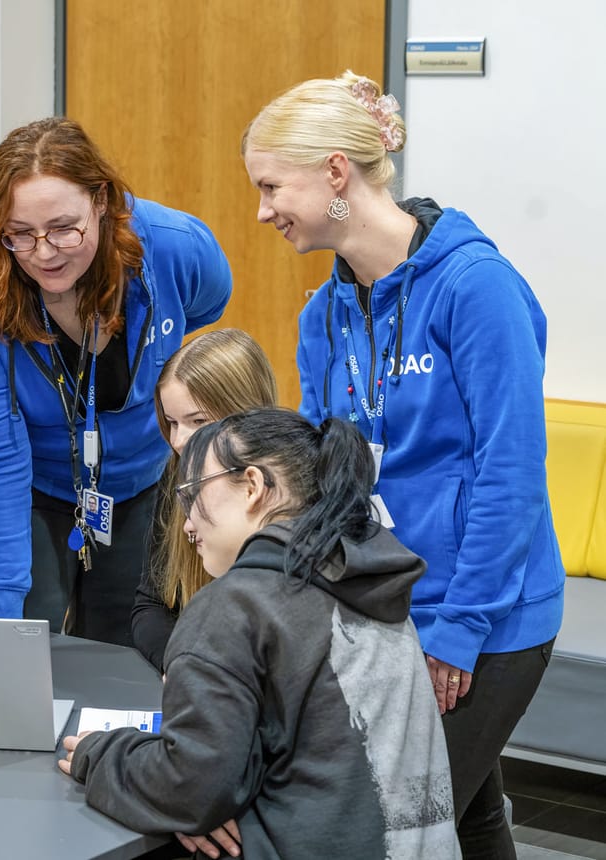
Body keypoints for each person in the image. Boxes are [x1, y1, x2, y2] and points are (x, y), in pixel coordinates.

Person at [242, 71, 562, 858]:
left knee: (389, 830)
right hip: (390, 608)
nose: (262, 211)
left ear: (336, 174)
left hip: (484, 617)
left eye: (272, 186)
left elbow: (510, 471)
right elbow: (328, 478)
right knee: (469, 815)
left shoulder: (474, 287)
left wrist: (461, 626)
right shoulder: (323, 314)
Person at [61, 408, 461, 859]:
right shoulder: (372, 582)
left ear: (252, 486)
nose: (187, 523)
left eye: (192, 495)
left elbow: (189, 790)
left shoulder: (237, 605)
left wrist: (100, 754)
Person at [0, 117, 232, 645]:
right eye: (20, 234)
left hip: (143, 486)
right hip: (29, 492)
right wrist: (4, 607)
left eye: (63, 229)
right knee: (12, 660)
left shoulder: (173, 247)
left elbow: (210, 303)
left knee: (129, 666)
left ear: (102, 200)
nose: (44, 252)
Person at [131, 328, 277, 670]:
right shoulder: (176, 475)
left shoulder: (288, 497)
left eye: (198, 421)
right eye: (171, 423)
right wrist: (183, 662)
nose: (179, 441)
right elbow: (150, 606)